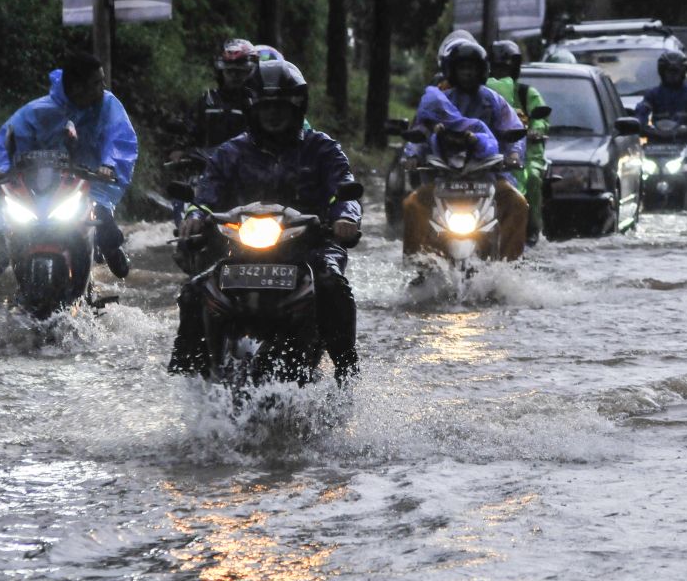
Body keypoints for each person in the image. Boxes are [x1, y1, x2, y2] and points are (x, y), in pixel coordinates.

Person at [168, 60, 362, 381]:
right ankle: (192, 378)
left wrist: (345, 219)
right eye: (266, 106)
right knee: (194, 290)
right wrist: (195, 216)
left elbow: (345, 192)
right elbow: (206, 194)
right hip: (240, 248)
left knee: (332, 286)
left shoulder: (322, 149)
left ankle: (346, 371)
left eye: (281, 106)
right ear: (252, 108)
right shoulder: (230, 152)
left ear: (297, 107)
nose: (273, 113)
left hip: (309, 248)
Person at [0, 55, 137, 290]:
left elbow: (120, 138)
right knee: (10, 219)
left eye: (102, 81)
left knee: (102, 219)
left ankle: (111, 248)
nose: (102, 87)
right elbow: (8, 137)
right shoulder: (39, 110)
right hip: (44, 180)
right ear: (76, 87)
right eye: (96, 83)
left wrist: (109, 164)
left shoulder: (109, 106)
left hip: (91, 179)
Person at [401, 38, 529, 260]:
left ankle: (510, 266)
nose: (467, 73)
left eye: (472, 68)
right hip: (444, 177)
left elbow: (513, 129)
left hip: (489, 177)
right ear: (451, 70)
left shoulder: (494, 101)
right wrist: (412, 155)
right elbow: (421, 131)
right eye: (462, 68)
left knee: (518, 204)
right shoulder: (439, 101)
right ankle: (415, 265)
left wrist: (514, 154)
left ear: (481, 70)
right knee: (412, 204)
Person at [487, 39, 549, 246]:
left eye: (506, 68)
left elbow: (540, 117)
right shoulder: (482, 94)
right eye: (497, 67)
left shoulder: (526, 93)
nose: (501, 72)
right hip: (491, 151)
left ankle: (531, 228)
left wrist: (535, 129)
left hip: (525, 153)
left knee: (532, 177)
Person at [636, 49, 687, 190]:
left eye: (676, 72)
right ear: (662, 72)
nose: (672, 76)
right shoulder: (653, 94)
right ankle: (643, 191)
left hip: (684, 140)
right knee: (637, 163)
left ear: (683, 72)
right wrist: (639, 125)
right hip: (656, 141)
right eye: (669, 72)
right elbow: (642, 111)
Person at [181, 39, 259, 150]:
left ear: (251, 71)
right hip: (207, 162)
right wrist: (180, 148)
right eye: (229, 70)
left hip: (246, 163)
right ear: (221, 72)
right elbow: (189, 128)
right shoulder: (208, 100)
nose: (234, 75)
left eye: (240, 71)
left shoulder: (257, 103)